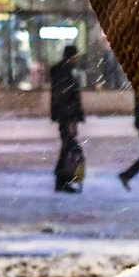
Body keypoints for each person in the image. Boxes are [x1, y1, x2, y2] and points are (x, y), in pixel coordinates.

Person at [49, 45, 85, 193]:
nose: (77, 60)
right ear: (70, 57)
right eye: (75, 57)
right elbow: (65, 99)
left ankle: (61, 180)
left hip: (66, 117)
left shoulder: (65, 72)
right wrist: (70, 121)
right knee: (70, 149)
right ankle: (62, 180)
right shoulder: (64, 74)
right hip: (66, 118)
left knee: (67, 148)